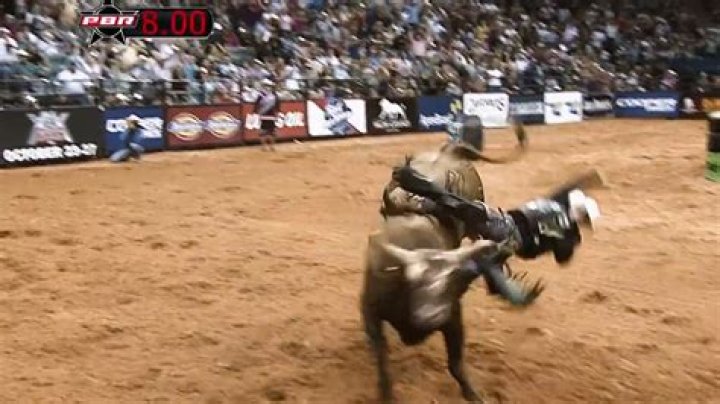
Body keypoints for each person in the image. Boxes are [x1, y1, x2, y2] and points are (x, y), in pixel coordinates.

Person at [254, 79, 280, 152]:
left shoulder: (261, 95)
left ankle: (264, 147)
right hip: (271, 115)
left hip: (263, 115)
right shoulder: (274, 95)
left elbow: (256, 104)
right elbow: (277, 105)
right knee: (271, 131)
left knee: (263, 131)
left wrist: (257, 112)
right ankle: (271, 147)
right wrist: (277, 114)